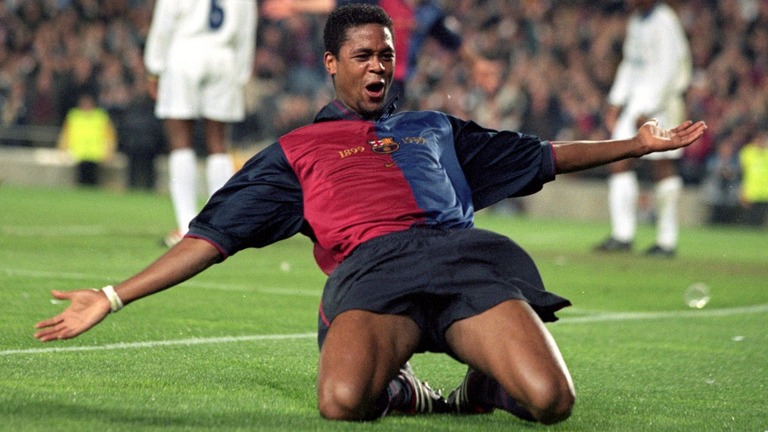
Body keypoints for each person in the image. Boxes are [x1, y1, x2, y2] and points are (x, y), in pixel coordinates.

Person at [35, 4, 707, 425]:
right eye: (363, 56)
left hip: (463, 263)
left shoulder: (432, 127)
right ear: (332, 64)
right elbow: (212, 238)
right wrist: (113, 296)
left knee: (552, 402)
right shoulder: (297, 150)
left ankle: (479, 389)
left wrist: (637, 146)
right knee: (341, 403)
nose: (379, 66)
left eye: (386, 54)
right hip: (373, 276)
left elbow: (543, 156)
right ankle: (403, 389)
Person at [143, 0, 257, 246]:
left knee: (180, 142)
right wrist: (240, 74)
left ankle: (187, 226)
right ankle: (219, 224)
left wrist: (154, 67)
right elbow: (246, 32)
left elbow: (163, 23)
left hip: (183, 53)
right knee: (218, 143)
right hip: (224, 57)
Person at [594, 0, 692, 257]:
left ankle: (667, 240)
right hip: (636, 103)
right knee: (618, 160)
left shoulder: (665, 21)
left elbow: (670, 70)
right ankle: (623, 234)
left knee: (662, 166)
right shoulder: (636, 21)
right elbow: (630, 65)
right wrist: (616, 101)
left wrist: (649, 108)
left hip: (662, 104)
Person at [262, 0, 493, 108]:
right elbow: (335, 4)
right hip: (369, 76)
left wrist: (477, 64)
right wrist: (295, 6)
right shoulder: (379, 1)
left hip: (397, 83)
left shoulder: (430, 12)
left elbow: (453, 42)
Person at [57, 92, 117, 186]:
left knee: (93, 178)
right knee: (80, 178)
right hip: (79, 153)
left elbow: (110, 135)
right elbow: (66, 134)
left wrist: (109, 151)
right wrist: (62, 149)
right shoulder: (74, 116)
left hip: (95, 154)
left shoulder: (101, 116)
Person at [738, 128, 768, 227]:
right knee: (750, 221)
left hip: (765, 193)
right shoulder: (747, 152)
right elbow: (742, 173)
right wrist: (742, 190)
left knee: (761, 223)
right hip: (751, 192)